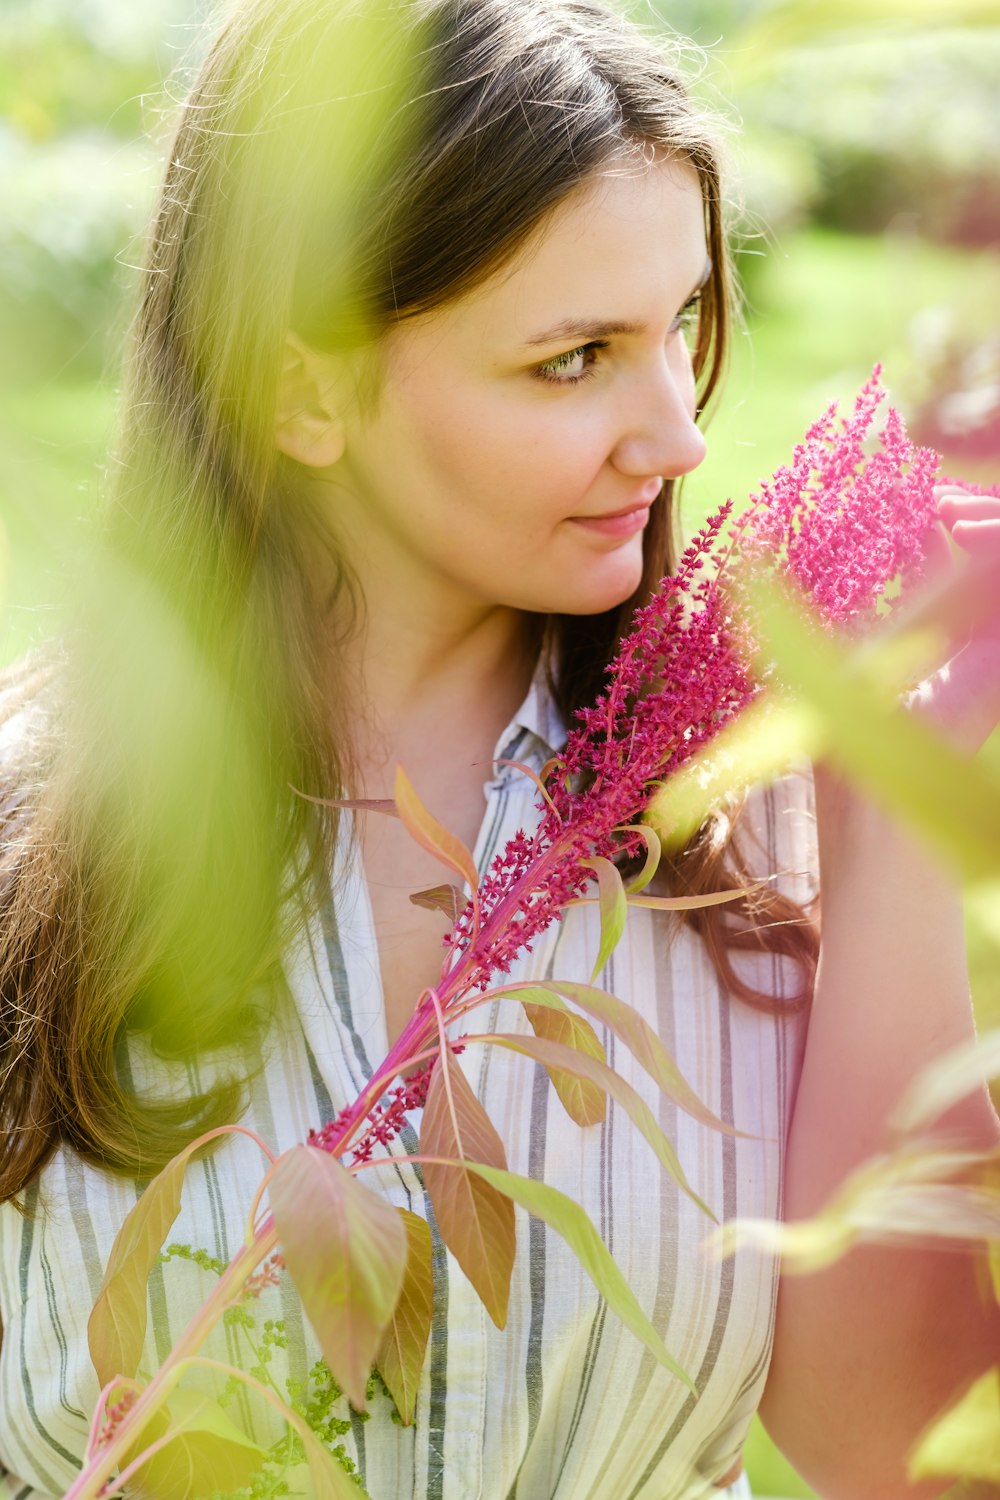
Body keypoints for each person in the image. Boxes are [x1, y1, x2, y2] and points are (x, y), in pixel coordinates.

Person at [0, 1, 997, 1496]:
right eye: (575, 359)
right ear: (301, 391)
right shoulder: (28, 818)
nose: (676, 439)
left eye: (678, 332)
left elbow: (901, 1452)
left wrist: (897, 809)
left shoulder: (748, 828)